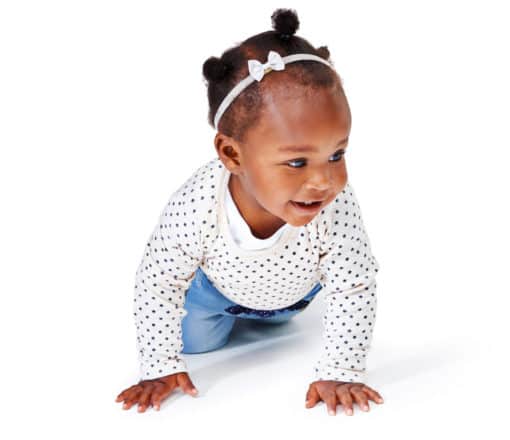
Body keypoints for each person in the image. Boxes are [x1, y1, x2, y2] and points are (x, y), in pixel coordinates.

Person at [115, 8, 384, 416]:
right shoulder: (199, 202)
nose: (323, 181)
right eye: (296, 162)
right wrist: (159, 366)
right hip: (214, 294)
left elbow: (354, 284)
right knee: (199, 343)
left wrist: (342, 369)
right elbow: (159, 280)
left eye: (336, 153)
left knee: (278, 324)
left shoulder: (336, 205)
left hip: (292, 297)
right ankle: (228, 321)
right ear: (231, 153)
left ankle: (269, 318)